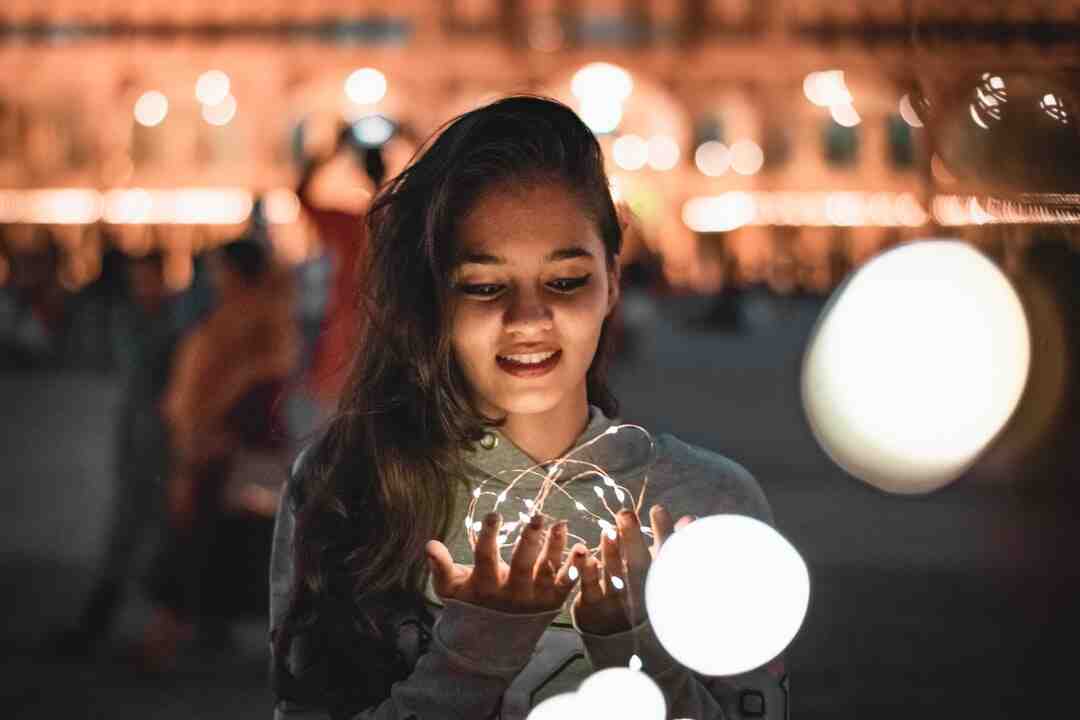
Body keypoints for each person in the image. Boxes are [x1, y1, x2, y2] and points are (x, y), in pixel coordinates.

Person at [270, 96, 788, 719]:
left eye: (565, 281)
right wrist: (475, 650)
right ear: (437, 294)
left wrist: (637, 650)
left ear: (613, 281)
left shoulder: (708, 507)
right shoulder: (349, 484)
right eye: (486, 287)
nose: (529, 320)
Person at [143, 236, 299, 668]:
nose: (214, 276)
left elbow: (261, 388)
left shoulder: (257, 319)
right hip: (213, 445)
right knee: (216, 545)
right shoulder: (237, 314)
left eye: (220, 268)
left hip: (222, 452)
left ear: (236, 271)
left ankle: (163, 639)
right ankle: (203, 633)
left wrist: (215, 435)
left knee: (196, 543)